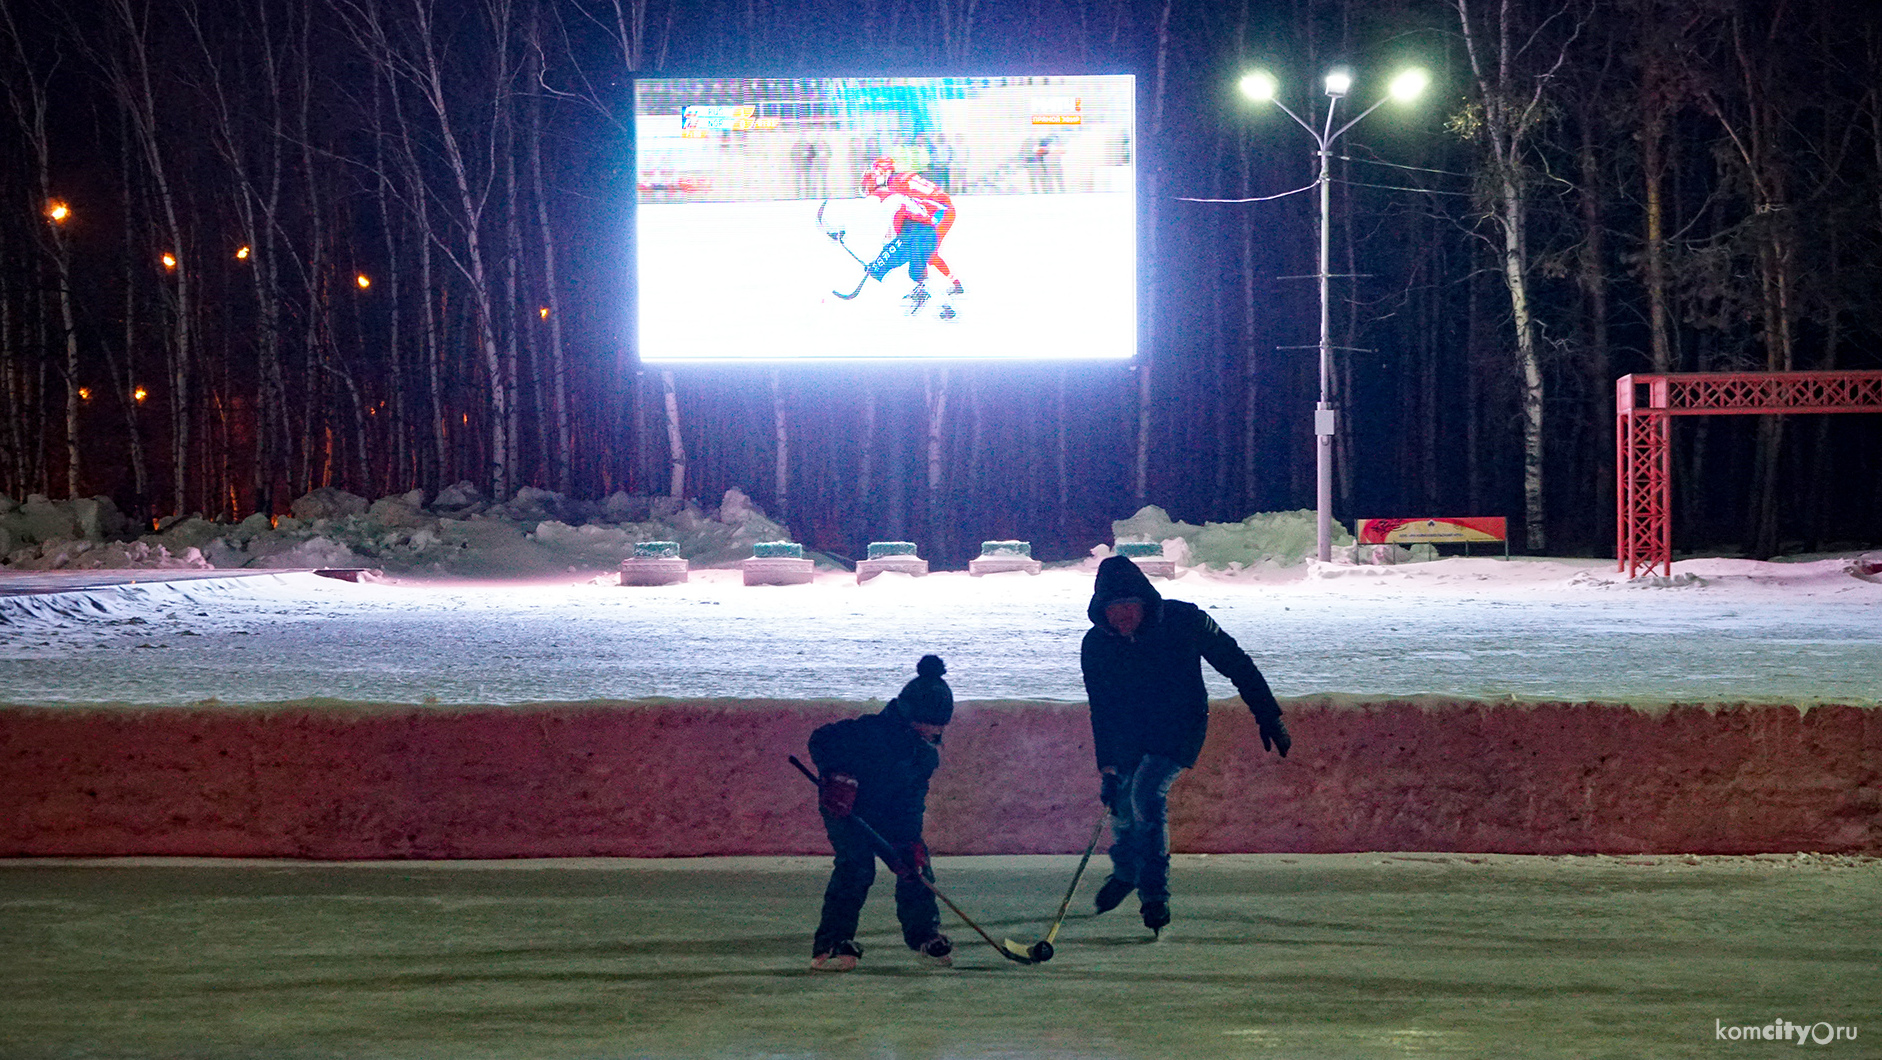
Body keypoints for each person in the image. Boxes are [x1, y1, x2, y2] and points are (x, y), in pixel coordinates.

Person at [1080, 555, 1291, 934]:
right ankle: (1127, 872)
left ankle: (1155, 896)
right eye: (1114, 609)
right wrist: (1108, 765)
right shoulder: (1096, 645)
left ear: (1145, 601)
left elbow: (1235, 662)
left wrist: (1267, 714)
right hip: (1129, 733)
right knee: (1122, 804)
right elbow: (1102, 708)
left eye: (1129, 605)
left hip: (1180, 726)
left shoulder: (1185, 621)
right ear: (1102, 610)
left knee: (1145, 794)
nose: (1123, 615)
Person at [807, 654, 956, 971]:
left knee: (915, 866)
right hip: (847, 811)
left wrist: (910, 841)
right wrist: (838, 780)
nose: (934, 733)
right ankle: (832, 944)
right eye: (928, 726)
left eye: (939, 728)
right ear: (908, 714)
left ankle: (924, 936)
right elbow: (819, 740)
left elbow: (912, 801)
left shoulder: (925, 755)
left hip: (892, 817)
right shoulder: (866, 732)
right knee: (856, 868)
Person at [860, 156, 963, 315]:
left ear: (884, 172)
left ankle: (952, 286)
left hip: (941, 212)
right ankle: (928, 289)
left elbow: (898, 214)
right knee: (920, 252)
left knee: (927, 253)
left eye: (876, 173)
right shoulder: (899, 180)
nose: (874, 178)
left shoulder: (894, 187)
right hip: (938, 211)